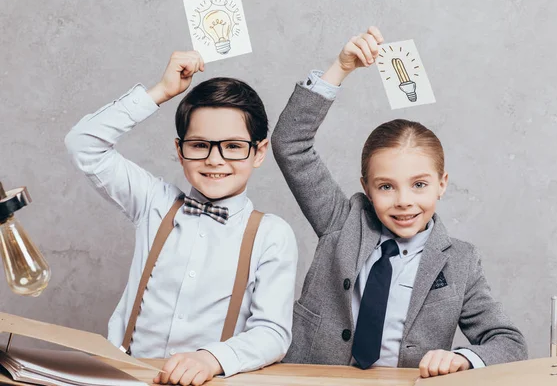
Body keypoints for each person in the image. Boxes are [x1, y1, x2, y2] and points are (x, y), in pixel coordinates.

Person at [271, 27, 527, 378]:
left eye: (419, 184)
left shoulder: (460, 262)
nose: (404, 202)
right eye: (387, 187)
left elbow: (508, 342)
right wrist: (340, 68)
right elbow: (290, 143)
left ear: (442, 184)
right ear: (366, 187)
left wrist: (464, 357)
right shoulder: (341, 222)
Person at [65, 51, 297, 386]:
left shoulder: (272, 234)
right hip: (126, 376)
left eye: (232, 146)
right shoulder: (153, 203)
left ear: (258, 152)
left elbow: (273, 333)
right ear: (179, 150)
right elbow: (82, 144)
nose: (214, 160)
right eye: (200, 145)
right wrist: (160, 92)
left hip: (211, 382)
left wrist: (211, 359)